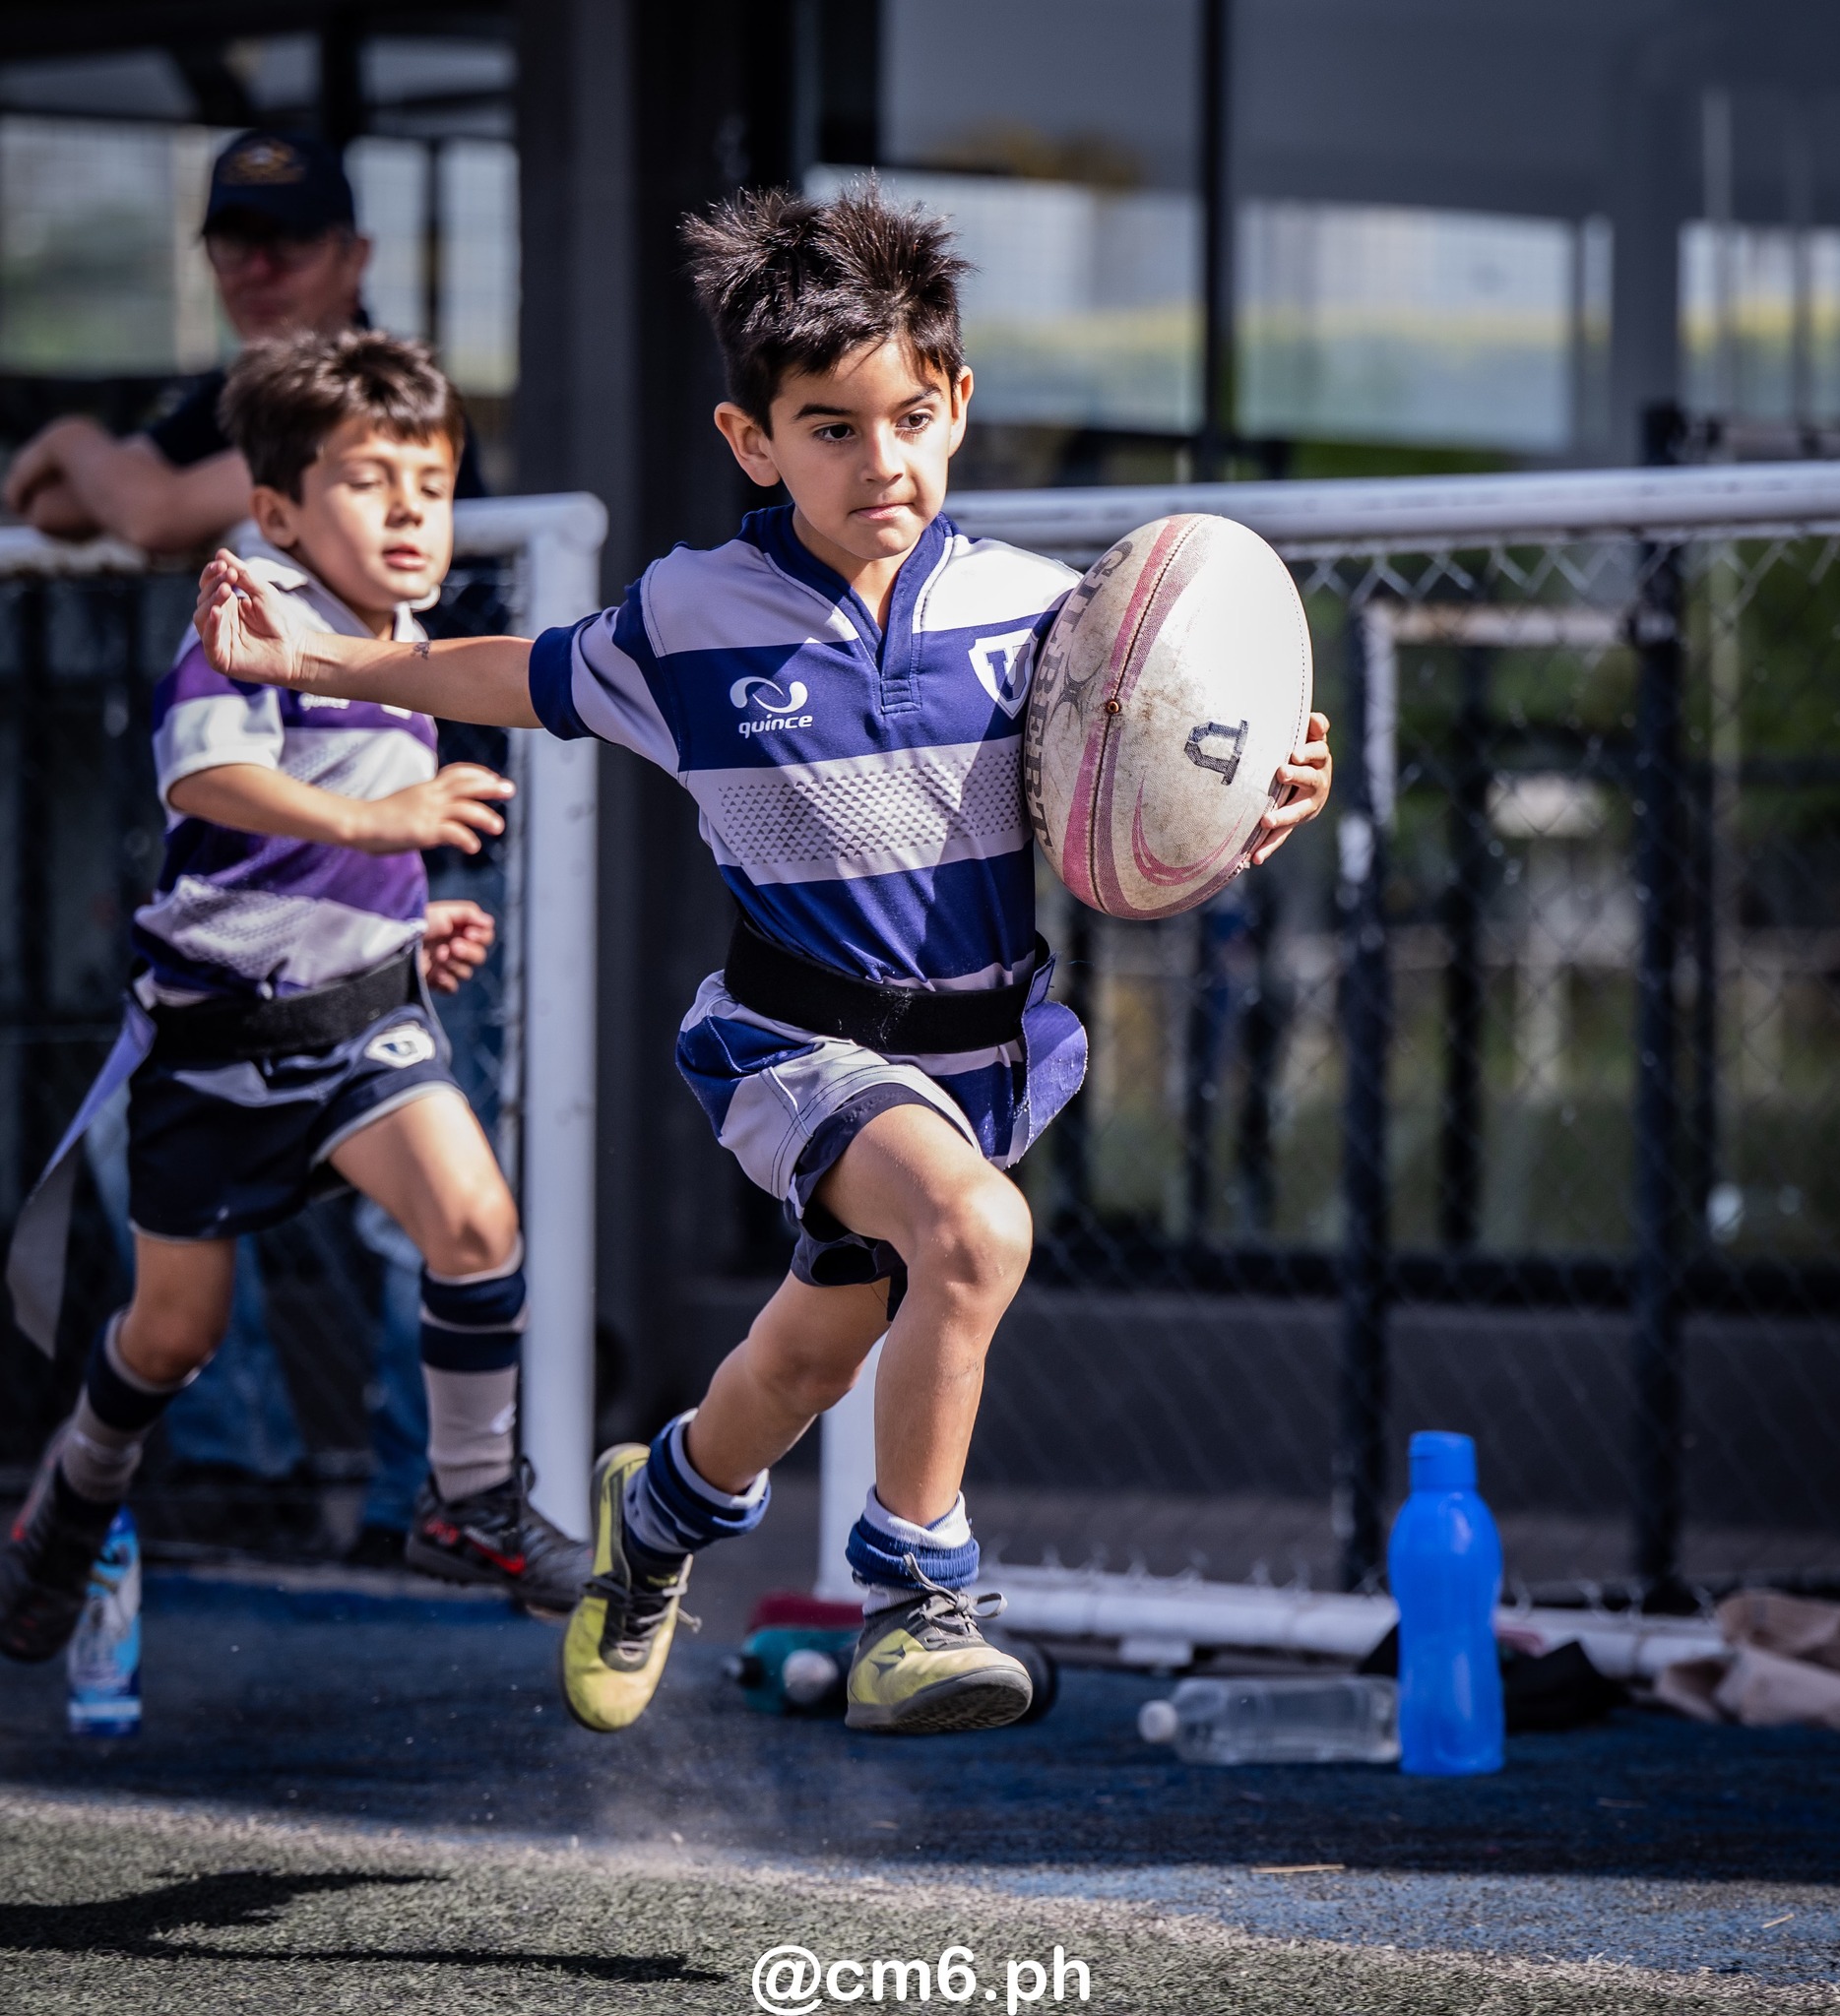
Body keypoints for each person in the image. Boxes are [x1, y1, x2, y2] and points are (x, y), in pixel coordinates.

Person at [185, 186, 1335, 1736]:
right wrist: (308, 655)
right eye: (832, 430)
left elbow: (1138, 816)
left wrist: (1246, 801)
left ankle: (653, 1517)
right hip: (794, 1053)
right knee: (977, 1239)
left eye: (912, 418)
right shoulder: (687, 619)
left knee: (794, 1367)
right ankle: (920, 1599)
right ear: (752, 441)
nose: (884, 462)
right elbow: (505, 674)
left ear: (959, 405)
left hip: (977, 1059)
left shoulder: (1049, 624)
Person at [0, 330, 588, 1664]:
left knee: (475, 1216)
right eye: (370, 484)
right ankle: (76, 1493)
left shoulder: (406, 649)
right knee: (171, 1337)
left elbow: (320, 847)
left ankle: (471, 1497)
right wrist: (389, 838)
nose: (407, 516)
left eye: (428, 489)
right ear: (276, 511)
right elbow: (209, 786)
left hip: (354, 1029)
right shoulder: (253, 617)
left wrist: (399, 914)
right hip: (212, 1047)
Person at [3, 129, 480, 552]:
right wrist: (115, 482)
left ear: (355, 257)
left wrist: (69, 439)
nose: (257, 271)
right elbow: (53, 505)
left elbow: (151, 517)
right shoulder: (248, 390)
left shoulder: (381, 389)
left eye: (291, 241)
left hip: (419, 651)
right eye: (234, 244)